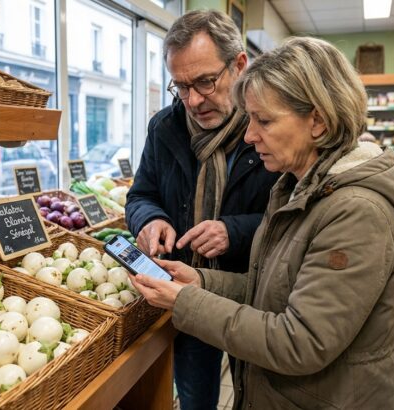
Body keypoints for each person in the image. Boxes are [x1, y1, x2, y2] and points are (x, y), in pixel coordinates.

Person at [128, 37, 394, 409]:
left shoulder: (357, 212)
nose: (249, 136)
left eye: (263, 120)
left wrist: (186, 301)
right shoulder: (297, 186)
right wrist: (201, 281)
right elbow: (272, 289)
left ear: (318, 120)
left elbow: (300, 342)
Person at [124, 10, 279, 409]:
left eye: (205, 82)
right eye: (181, 86)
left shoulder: (271, 127)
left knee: (257, 393)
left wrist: (234, 231)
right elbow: (140, 195)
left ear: (239, 65)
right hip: (186, 289)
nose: (193, 100)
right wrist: (150, 219)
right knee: (195, 397)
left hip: (254, 293)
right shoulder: (165, 127)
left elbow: (292, 220)